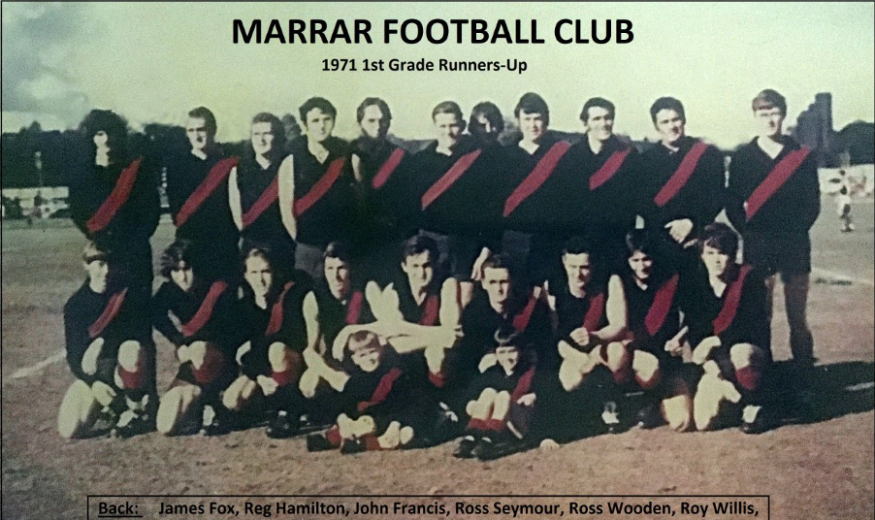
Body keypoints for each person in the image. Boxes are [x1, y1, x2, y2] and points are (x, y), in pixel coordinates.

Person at [726, 89, 820, 414]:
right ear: (755, 117)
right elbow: (732, 203)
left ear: (784, 115)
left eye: (775, 113)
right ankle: (763, 385)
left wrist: (792, 232)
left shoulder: (802, 155)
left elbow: (812, 204)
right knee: (760, 317)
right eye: (763, 114)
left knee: (797, 318)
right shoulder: (742, 157)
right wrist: (750, 233)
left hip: (794, 245)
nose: (770, 119)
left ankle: (804, 381)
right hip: (759, 246)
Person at [680, 223, 773, 433]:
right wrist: (718, 377)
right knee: (703, 423)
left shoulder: (749, 279)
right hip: (715, 362)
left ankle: (755, 403)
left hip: (747, 352)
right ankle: (735, 400)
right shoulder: (697, 284)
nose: (716, 260)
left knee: (740, 352)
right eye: (710, 253)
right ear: (702, 255)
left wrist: (715, 340)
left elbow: (749, 326)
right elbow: (697, 337)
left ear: (733, 255)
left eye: (722, 253)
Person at [58, 241, 156, 439]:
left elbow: (137, 341)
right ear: (86, 265)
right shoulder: (75, 305)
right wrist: (93, 383)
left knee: (132, 350)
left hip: (119, 369)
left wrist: (101, 343)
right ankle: (111, 408)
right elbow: (73, 356)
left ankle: (135, 409)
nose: (106, 271)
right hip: (95, 374)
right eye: (100, 264)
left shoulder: (125, 296)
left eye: (111, 265)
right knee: (70, 429)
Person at [414, 101, 502, 307]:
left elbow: (493, 210)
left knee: (465, 304)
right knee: (431, 304)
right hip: (431, 243)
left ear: (462, 125)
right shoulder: (419, 161)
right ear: (434, 127)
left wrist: (486, 251)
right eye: (443, 126)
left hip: (468, 244)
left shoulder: (480, 159)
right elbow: (411, 210)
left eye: (453, 125)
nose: (449, 132)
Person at [221, 243, 313, 437]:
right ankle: (266, 407)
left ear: (275, 272)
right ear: (246, 276)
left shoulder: (289, 297)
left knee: (277, 350)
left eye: (265, 272)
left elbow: (291, 338)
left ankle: (288, 410)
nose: (260, 280)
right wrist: (260, 376)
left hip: (292, 363)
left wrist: (253, 351)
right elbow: (237, 352)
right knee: (232, 400)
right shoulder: (244, 307)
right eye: (254, 273)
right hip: (262, 370)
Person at [151, 240, 242, 436]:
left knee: (200, 349)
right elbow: (155, 314)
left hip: (220, 361)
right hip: (194, 362)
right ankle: (199, 398)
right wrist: (178, 341)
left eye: (186, 269)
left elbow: (231, 334)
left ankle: (214, 403)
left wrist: (194, 346)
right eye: (175, 270)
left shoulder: (218, 289)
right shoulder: (170, 290)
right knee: (165, 426)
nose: (182, 277)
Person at [68, 109, 160, 291]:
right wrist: (99, 239)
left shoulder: (138, 171)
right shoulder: (82, 175)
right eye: (100, 134)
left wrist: (129, 242)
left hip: (135, 255)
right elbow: (78, 213)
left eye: (111, 133)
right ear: (92, 137)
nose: (106, 139)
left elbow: (150, 213)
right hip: (102, 256)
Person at [548, 237, 631, 433]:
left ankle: (613, 399)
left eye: (584, 267)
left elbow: (620, 324)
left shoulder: (609, 280)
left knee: (617, 352)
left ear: (593, 265)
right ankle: (589, 408)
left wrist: (595, 336)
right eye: (572, 267)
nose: (578, 274)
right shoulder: (553, 285)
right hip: (570, 350)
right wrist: (578, 357)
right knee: (571, 381)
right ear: (564, 262)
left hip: (601, 344)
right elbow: (553, 334)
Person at [306, 331, 429, 453]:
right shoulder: (355, 380)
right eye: (362, 355)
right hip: (369, 419)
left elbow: (405, 405)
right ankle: (344, 438)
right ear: (355, 359)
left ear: (381, 349)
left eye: (372, 352)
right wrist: (343, 419)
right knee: (356, 422)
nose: (369, 359)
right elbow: (345, 404)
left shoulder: (394, 374)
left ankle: (362, 443)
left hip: (393, 419)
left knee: (406, 435)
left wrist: (395, 424)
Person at [500, 92, 576, 288]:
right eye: (527, 119)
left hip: (552, 240)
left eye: (537, 119)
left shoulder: (564, 154)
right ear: (518, 121)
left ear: (546, 121)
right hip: (514, 242)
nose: (532, 125)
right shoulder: (504, 156)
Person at [620, 230, 691, 431]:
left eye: (646, 259)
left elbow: (693, 315)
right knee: (649, 368)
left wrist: (679, 338)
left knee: (681, 422)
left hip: (666, 357)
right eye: (635, 260)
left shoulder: (668, 281)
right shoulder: (621, 283)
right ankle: (645, 401)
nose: (641, 266)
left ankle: (660, 401)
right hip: (635, 355)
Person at [639, 97, 726, 258]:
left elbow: (717, 197)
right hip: (659, 240)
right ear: (656, 126)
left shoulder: (708, 155)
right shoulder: (645, 160)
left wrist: (692, 222)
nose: (671, 126)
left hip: (699, 238)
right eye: (665, 122)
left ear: (684, 120)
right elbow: (642, 203)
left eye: (676, 120)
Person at [279, 97, 354, 280]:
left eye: (326, 119)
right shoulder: (292, 160)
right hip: (308, 248)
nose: (321, 126)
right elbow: (286, 210)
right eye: (315, 121)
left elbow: (359, 201)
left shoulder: (348, 156)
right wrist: (301, 241)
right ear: (305, 125)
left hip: (341, 248)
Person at [347, 97, 417, 286]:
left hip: (391, 241)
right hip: (355, 242)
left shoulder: (402, 158)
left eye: (382, 120)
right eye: (371, 120)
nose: (378, 126)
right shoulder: (344, 155)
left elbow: (410, 204)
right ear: (360, 123)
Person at [165, 107, 239, 282]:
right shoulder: (176, 166)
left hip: (223, 246)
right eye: (191, 130)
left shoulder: (228, 164)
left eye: (201, 129)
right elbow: (177, 212)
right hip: (189, 245)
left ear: (213, 130)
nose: (196, 136)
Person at [567, 97, 640, 275]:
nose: (604, 124)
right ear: (585, 123)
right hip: (580, 247)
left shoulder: (628, 156)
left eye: (608, 118)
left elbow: (636, 201)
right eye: (596, 119)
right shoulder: (570, 157)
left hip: (616, 244)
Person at [454, 325, 537, 460]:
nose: (507, 358)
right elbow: (468, 396)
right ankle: (472, 436)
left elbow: (547, 396)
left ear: (521, 351)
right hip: (491, 422)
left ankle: (490, 438)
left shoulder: (529, 372)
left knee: (503, 395)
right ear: (496, 354)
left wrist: (534, 395)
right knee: (488, 392)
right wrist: (476, 406)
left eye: (512, 351)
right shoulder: (492, 372)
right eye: (502, 352)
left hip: (518, 423)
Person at [229, 112, 294, 266]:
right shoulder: (239, 170)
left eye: (267, 134)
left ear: (278, 136)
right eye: (256, 134)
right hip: (252, 246)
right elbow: (237, 216)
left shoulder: (290, 167)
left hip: (284, 246)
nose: (261, 140)